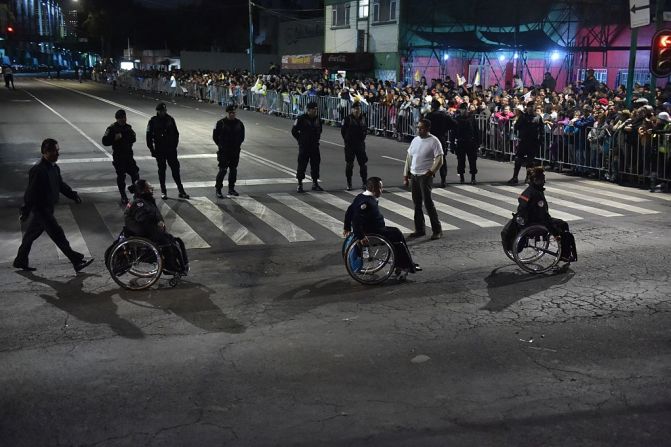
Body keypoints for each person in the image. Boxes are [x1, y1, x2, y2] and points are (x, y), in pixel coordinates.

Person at [13, 138, 94, 272]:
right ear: (45, 152)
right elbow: (30, 194)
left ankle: (20, 260)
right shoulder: (38, 170)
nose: (57, 154)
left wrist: (73, 195)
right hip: (41, 210)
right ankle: (76, 261)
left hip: (48, 208)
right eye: (55, 151)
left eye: (58, 151)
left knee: (30, 236)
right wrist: (25, 211)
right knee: (58, 235)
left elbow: (60, 185)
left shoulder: (54, 167)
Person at [344, 177, 421, 279]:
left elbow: (349, 210)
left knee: (397, 233)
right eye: (380, 188)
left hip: (375, 229)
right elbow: (356, 219)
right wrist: (361, 236)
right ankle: (405, 264)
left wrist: (346, 227)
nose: (382, 190)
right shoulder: (366, 203)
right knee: (398, 238)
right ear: (373, 188)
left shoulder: (360, 197)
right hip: (374, 232)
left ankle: (405, 263)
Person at [515, 167, 577, 264]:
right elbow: (543, 216)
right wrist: (555, 233)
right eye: (543, 179)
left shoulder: (528, 191)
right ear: (537, 180)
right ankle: (565, 255)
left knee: (559, 223)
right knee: (563, 225)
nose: (544, 182)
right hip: (536, 223)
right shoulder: (537, 195)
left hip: (527, 221)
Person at [124, 179, 188, 274]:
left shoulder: (145, 200)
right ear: (143, 190)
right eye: (149, 187)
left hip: (145, 228)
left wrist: (159, 222)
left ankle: (180, 265)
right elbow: (143, 219)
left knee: (176, 241)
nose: (152, 188)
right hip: (143, 230)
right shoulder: (139, 203)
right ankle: (171, 266)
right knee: (167, 242)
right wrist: (157, 224)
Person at [403, 118, 444, 240]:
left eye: (421, 128)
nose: (418, 130)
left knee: (428, 203)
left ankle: (437, 230)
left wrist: (431, 171)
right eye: (418, 127)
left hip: (425, 176)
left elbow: (439, 159)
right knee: (417, 204)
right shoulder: (415, 140)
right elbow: (409, 158)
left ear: (427, 129)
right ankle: (420, 229)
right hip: (414, 175)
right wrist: (406, 175)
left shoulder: (434, 141)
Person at [146, 102, 189, 200]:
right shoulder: (153, 121)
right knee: (162, 171)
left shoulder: (170, 119)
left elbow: (176, 134)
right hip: (160, 150)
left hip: (171, 150)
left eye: (164, 111)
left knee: (175, 170)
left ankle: (181, 190)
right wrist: (152, 150)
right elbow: (148, 137)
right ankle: (163, 191)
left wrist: (174, 146)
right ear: (158, 111)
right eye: (161, 111)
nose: (163, 112)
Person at [102, 109, 140, 205]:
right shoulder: (112, 128)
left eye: (124, 117)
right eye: (121, 118)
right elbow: (104, 141)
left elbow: (134, 138)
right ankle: (123, 196)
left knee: (135, 174)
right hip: (119, 157)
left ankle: (137, 194)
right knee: (121, 176)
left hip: (129, 156)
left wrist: (127, 137)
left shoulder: (128, 128)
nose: (123, 120)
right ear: (117, 119)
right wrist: (114, 138)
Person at [212, 104, 245, 197]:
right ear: (227, 113)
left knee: (233, 170)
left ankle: (231, 189)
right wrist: (221, 146)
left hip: (235, 151)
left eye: (234, 113)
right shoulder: (220, 123)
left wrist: (237, 145)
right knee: (222, 170)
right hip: (224, 151)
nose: (232, 114)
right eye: (230, 113)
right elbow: (215, 137)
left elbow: (242, 137)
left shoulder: (239, 123)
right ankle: (218, 189)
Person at [508, 101, 544, 184]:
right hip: (524, 141)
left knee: (530, 161)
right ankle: (515, 177)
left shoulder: (538, 118)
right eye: (530, 106)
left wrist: (540, 141)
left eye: (533, 106)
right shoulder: (523, 117)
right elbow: (516, 126)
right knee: (518, 159)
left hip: (533, 142)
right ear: (527, 107)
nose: (531, 108)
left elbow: (541, 131)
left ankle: (528, 177)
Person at [292, 101, 323, 192]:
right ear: (308, 110)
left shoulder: (318, 119)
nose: (315, 111)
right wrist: (300, 140)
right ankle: (300, 184)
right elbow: (294, 131)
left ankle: (315, 183)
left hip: (314, 145)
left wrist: (317, 138)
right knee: (302, 165)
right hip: (304, 146)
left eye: (316, 109)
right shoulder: (301, 118)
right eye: (313, 109)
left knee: (315, 165)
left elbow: (320, 130)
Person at [340, 101, 368, 191]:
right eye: (355, 109)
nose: (357, 110)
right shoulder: (347, 119)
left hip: (360, 144)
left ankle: (364, 182)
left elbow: (365, 130)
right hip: (350, 145)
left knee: (363, 164)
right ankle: (349, 183)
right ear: (352, 109)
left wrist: (362, 138)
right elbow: (343, 131)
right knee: (349, 164)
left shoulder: (363, 118)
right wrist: (347, 140)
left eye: (359, 109)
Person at [450, 102, 480, 184]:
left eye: (465, 109)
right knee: (460, 161)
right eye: (463, 109)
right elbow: (453, 133)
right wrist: (452, 144)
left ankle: (473, 177)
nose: (464, 111)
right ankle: (462, 177)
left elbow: (477, 131)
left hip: (471, 142)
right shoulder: (457, 119)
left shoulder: (472, 118)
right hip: (461, 142)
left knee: (472, 161)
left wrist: (478, 143)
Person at [425, 99, 451, 187]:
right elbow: (453, 124)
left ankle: (430, 178)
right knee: (441, 159)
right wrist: (445, 129)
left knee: (430, 159)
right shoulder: (444, 115)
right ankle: (443, 179)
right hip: (441, 138)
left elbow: (424, 125)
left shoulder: (429, 115)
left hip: (431, 138)